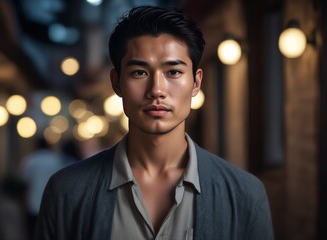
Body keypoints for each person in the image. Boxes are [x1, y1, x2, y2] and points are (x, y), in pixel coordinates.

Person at [35, 5, 274, 240]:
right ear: (116, 82)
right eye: (139, 72)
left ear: (196, 83)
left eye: (173, 72)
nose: (157, 90)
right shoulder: (67, 192)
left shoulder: (245, 194)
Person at [21, 137, 76, 239]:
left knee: (33, 234)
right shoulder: (56, 160)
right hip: (52, 204)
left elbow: (26, 184)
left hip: (33, 204)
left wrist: (25, 204)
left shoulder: (30, 160)